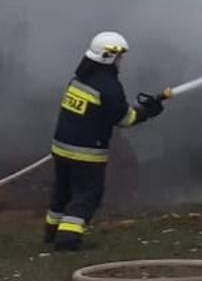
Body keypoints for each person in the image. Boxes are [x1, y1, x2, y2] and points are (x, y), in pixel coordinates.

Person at [45, 32, 165, 251]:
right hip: (86, 152)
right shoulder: (108, 85)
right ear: (110, 56)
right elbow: (124, 119)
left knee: (62, 192)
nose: (121, 62)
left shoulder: (80, 78)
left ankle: (52, 232)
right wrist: (148, 112)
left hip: (61, 147)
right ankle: (67, 239)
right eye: (120, 57)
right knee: (87, 194)